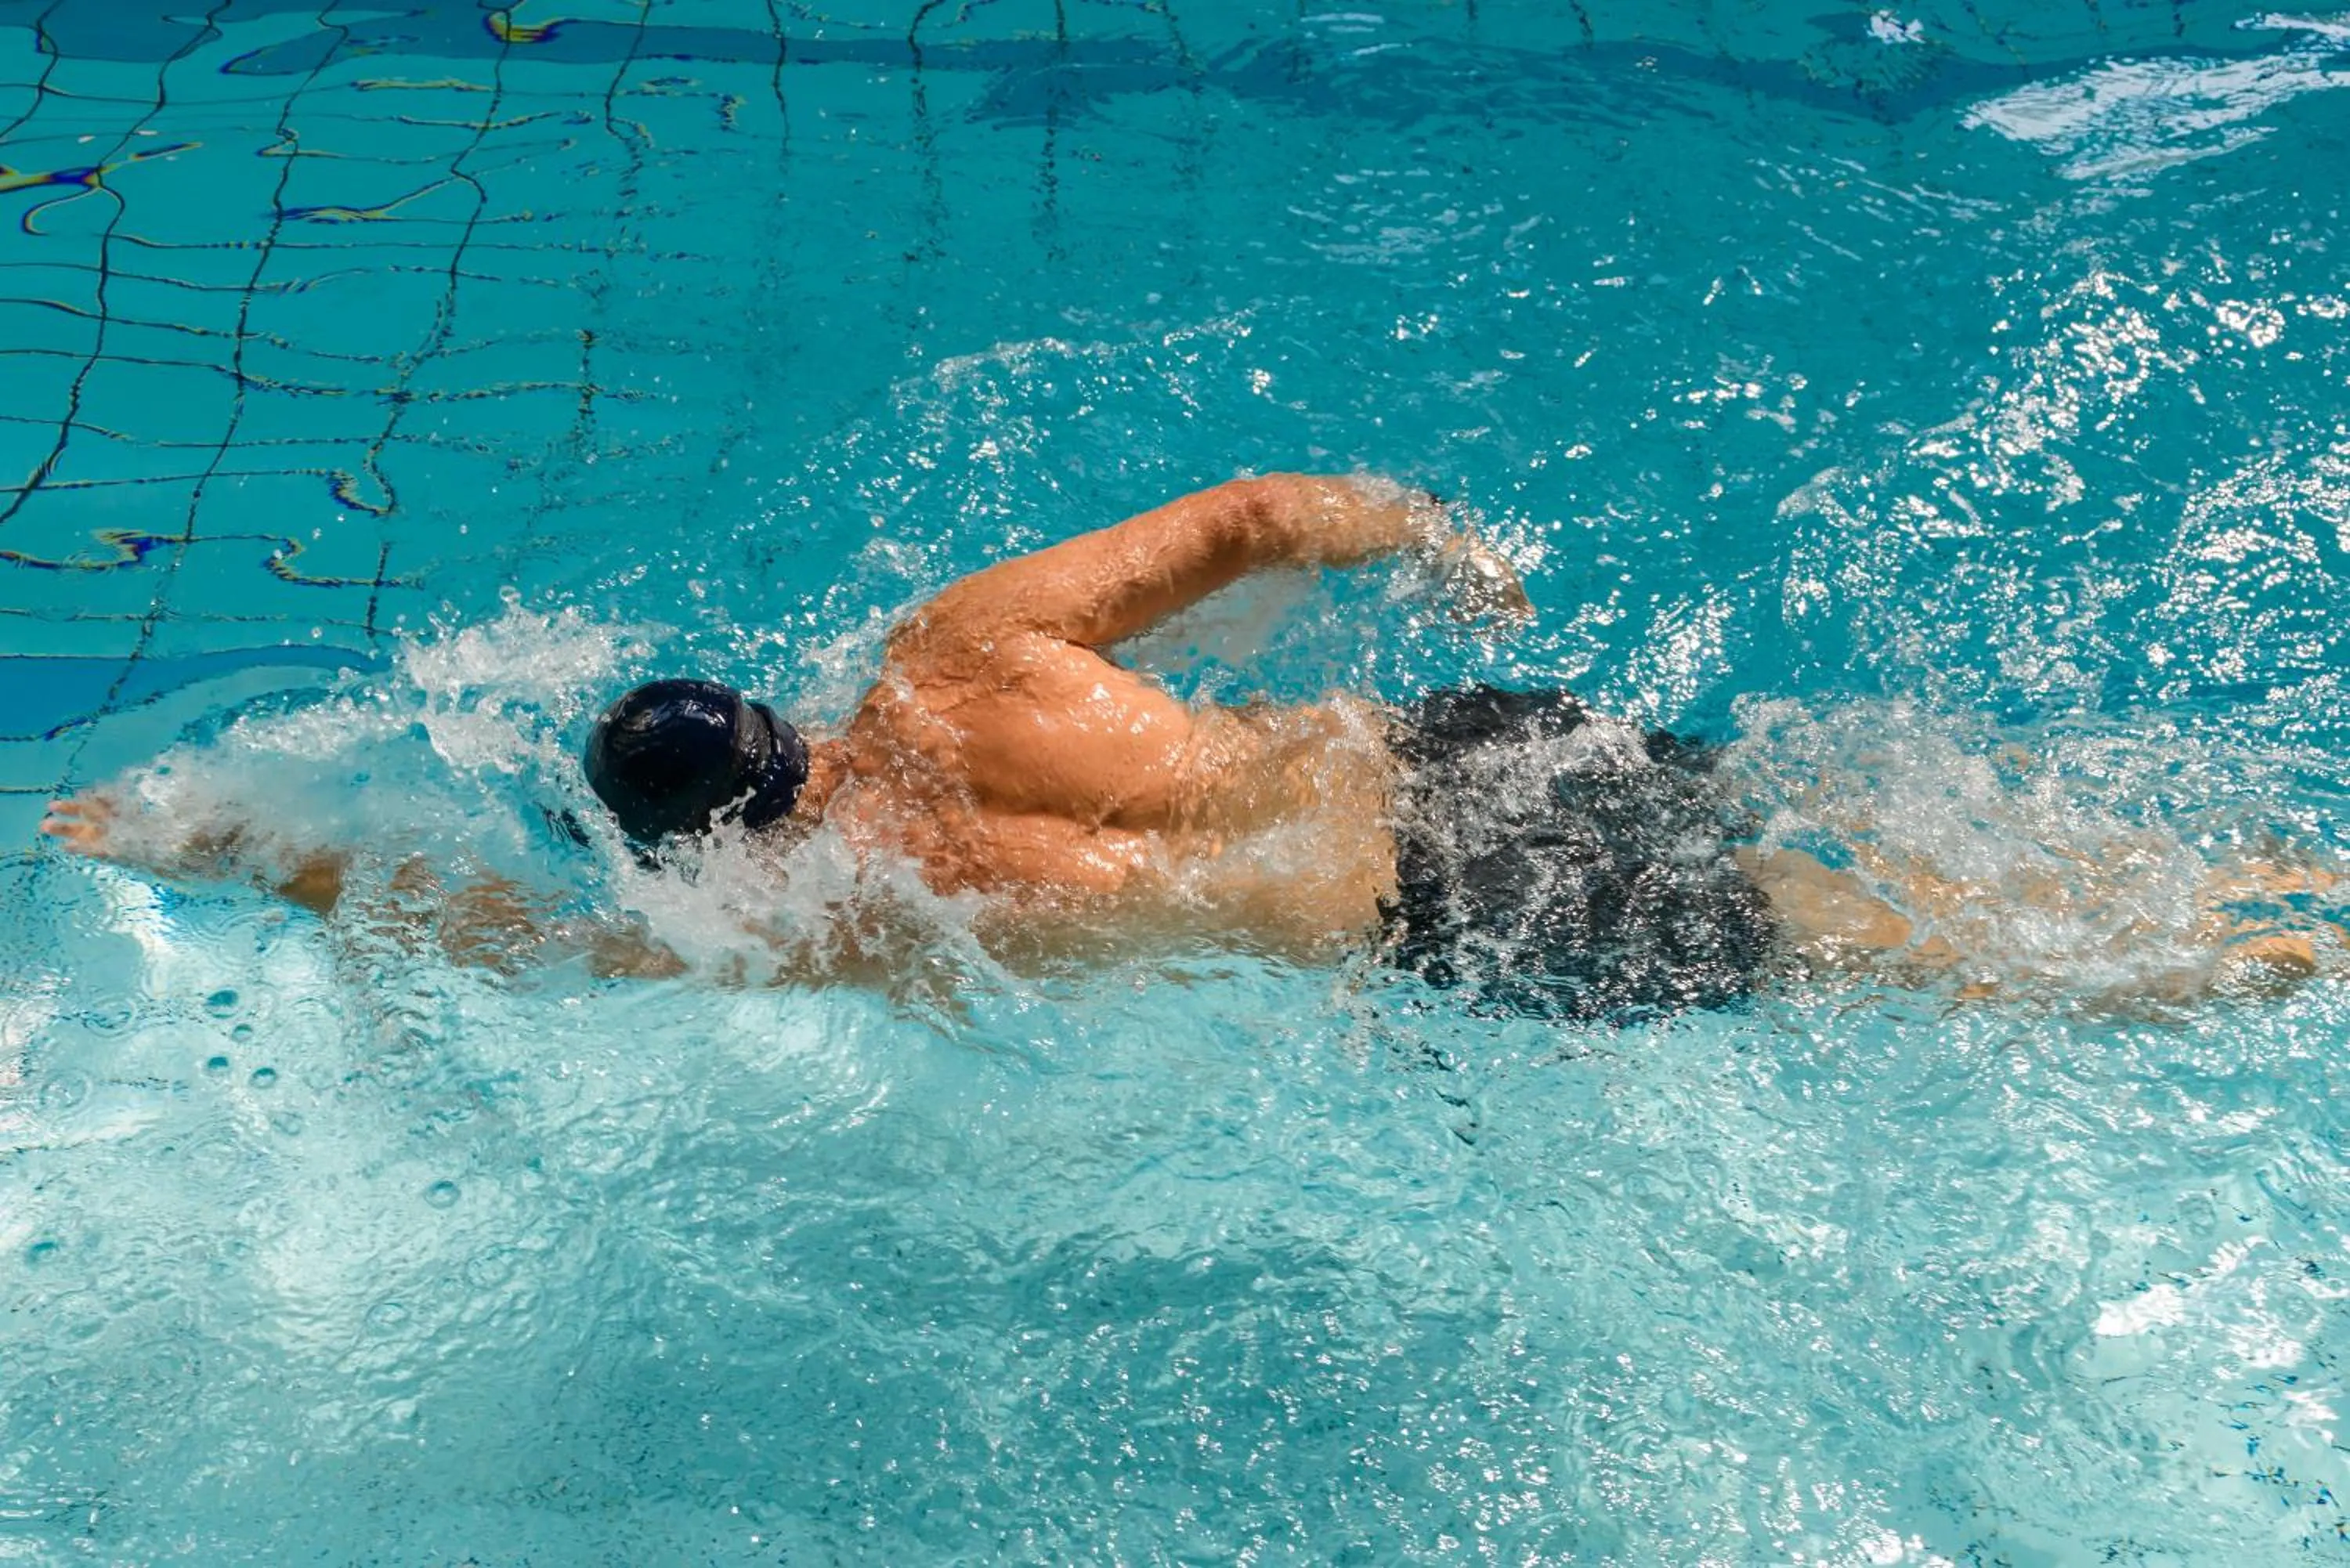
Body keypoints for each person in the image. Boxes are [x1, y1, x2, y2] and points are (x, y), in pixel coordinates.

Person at [40, 475, 2341, 1017]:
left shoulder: (828, 923)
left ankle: (2285, 967)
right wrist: (1446, 550)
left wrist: (242, 849)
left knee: (1922, 947)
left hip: (1453, 910)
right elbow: (1257, 517)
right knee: (1931, 797)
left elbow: (491, 943)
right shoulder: (951, 654)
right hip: (1466, 739)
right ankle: (2281, 853)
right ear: (774, 709)